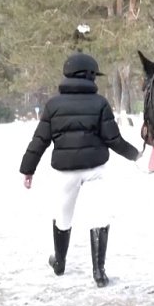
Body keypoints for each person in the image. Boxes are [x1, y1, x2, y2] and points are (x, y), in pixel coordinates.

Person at [19, 52, 141, 287]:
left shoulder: (53, 105)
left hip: (66, 172)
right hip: (95, 169)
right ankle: (99, 273)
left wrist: (28, 169)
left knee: (63, 216)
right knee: (99, 216)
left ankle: (60, 262)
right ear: (88, 76)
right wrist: (135, 154)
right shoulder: (100, 103)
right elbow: (114, 140)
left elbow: (40, 141)